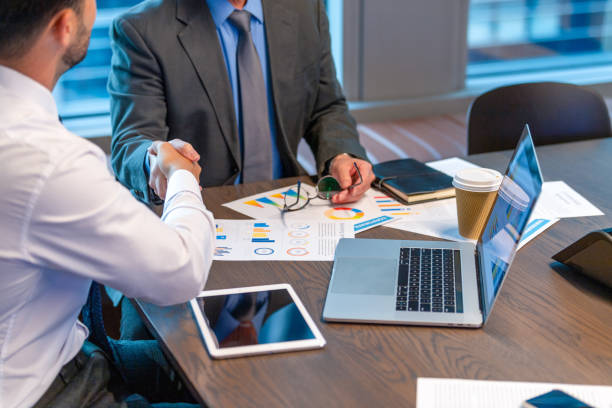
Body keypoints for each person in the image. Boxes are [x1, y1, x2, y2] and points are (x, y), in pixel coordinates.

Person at [0, 0, 215, 406]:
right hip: (47, 388)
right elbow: (181, 270)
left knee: (214, 367)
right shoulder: (46, 161)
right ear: (64, 25)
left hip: (56, 347)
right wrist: (182, 174)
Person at [108, 0, 375, 206]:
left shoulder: (305, 8)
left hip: (289, 200)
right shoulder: (142, 29)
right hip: (201, 208)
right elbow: (131, 142)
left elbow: (326, 106)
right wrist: (153, 160)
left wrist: (341, 154)